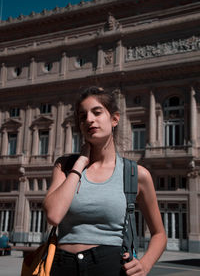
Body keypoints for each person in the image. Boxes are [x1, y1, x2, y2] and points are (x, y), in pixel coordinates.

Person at [43, 86, 167, 276]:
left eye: (97, 112)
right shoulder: (65, 166)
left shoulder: (135, 174)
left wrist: (145, 264)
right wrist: (80, 164)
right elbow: (53, 215)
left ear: (114, 119)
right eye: (82, 116)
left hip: (110, 266)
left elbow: (159, 234)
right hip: (62, 266)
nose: (89, 119)